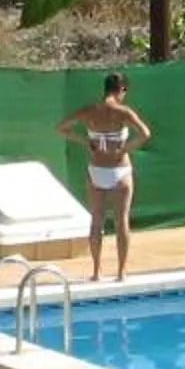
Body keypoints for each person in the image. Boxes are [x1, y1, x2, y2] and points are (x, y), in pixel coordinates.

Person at [56, 72, 151, 281]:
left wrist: (86, 142)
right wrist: (124, 148)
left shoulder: (89, 111)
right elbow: (145, 134)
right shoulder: (123, 112)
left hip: (97, 169)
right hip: (120, 169)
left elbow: (61, 128)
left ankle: (97, 271)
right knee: (121, 220)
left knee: (96, 220)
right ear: (122, 90)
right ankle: (121, 272)